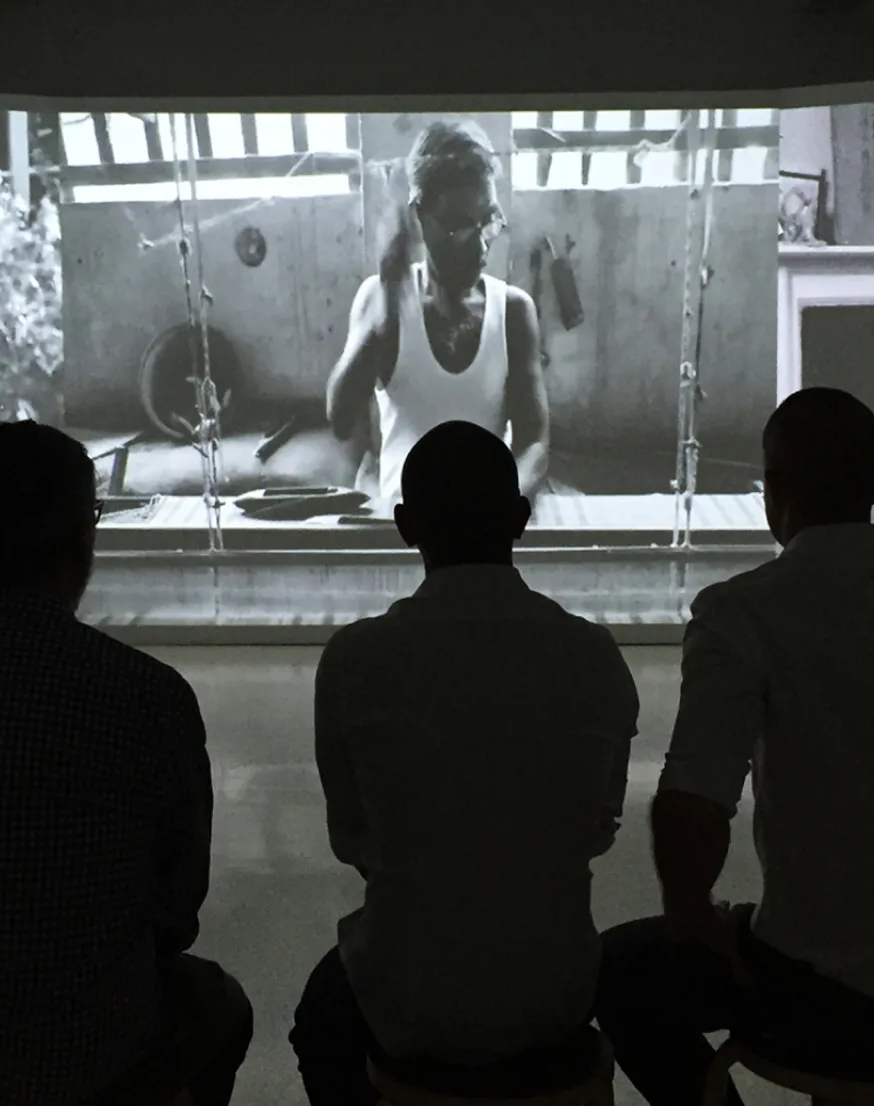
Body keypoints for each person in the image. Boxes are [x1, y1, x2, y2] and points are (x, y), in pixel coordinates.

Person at [290, 420, 639, 1106]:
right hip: (555, 993)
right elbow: (596, 830)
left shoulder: (355, 662)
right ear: (521, 518)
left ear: (404, 526)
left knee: (320, 1023)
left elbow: (351, 841)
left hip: (404, 996)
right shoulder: (593, 656)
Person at [595, 386, 874, 1106]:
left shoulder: (743, 612)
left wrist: (693, 914)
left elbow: (694, 801)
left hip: (823, 989)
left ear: (774, 490)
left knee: (619, 973)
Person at [0, 420, 253, 1106]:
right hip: (96, 1057)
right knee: (217, 1005)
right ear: (84, 536)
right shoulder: (145, 696)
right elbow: (177, 910)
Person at [325, 117, 550, 506]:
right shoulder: (382, 300)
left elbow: (534, 443)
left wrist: (503, 501)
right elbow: (341, 421)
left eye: (487, 222)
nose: (480, 247)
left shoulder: (513, 312)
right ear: (418, 219)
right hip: (404, 519)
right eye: (458, 227)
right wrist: (388, 298)